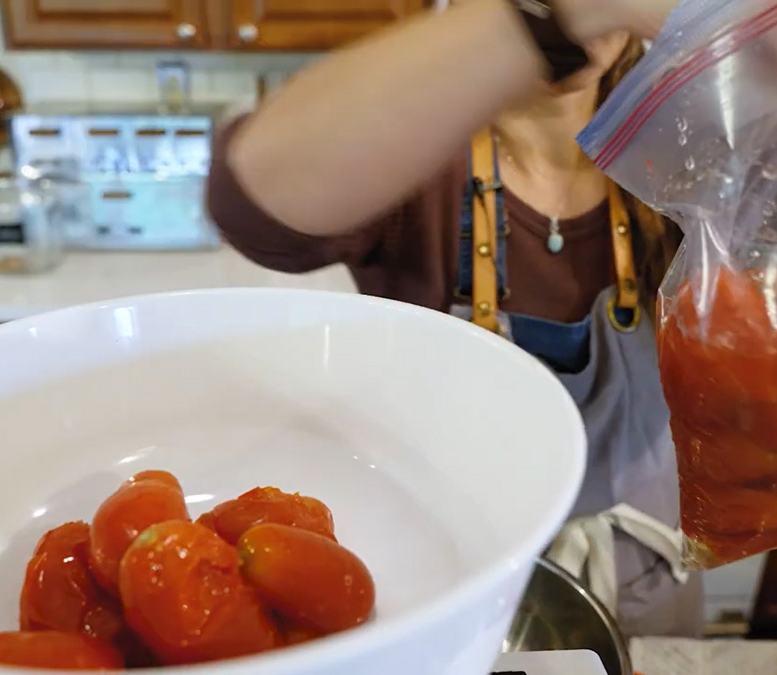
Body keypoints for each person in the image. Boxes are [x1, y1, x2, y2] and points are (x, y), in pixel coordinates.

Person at [205, 0, 697, 635]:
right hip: (456, 582)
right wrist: (549, 20)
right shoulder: (416, 153)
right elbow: (252, 208)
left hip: (645, 576)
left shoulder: (686, 152)